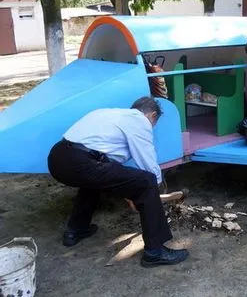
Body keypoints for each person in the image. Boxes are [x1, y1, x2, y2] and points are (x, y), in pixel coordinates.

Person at [47, 96, 189, 267]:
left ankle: (76, 230)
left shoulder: (108, 113)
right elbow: (147, 161)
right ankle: (155, 252)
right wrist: (156, 189)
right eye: (154, 123)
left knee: (93, 181)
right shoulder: (139, 121)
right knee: (147, 180)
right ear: (151, 115)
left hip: (58, 158)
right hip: (82, 161)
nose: (152, 127)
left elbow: (108, 165)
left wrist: (129, 192)